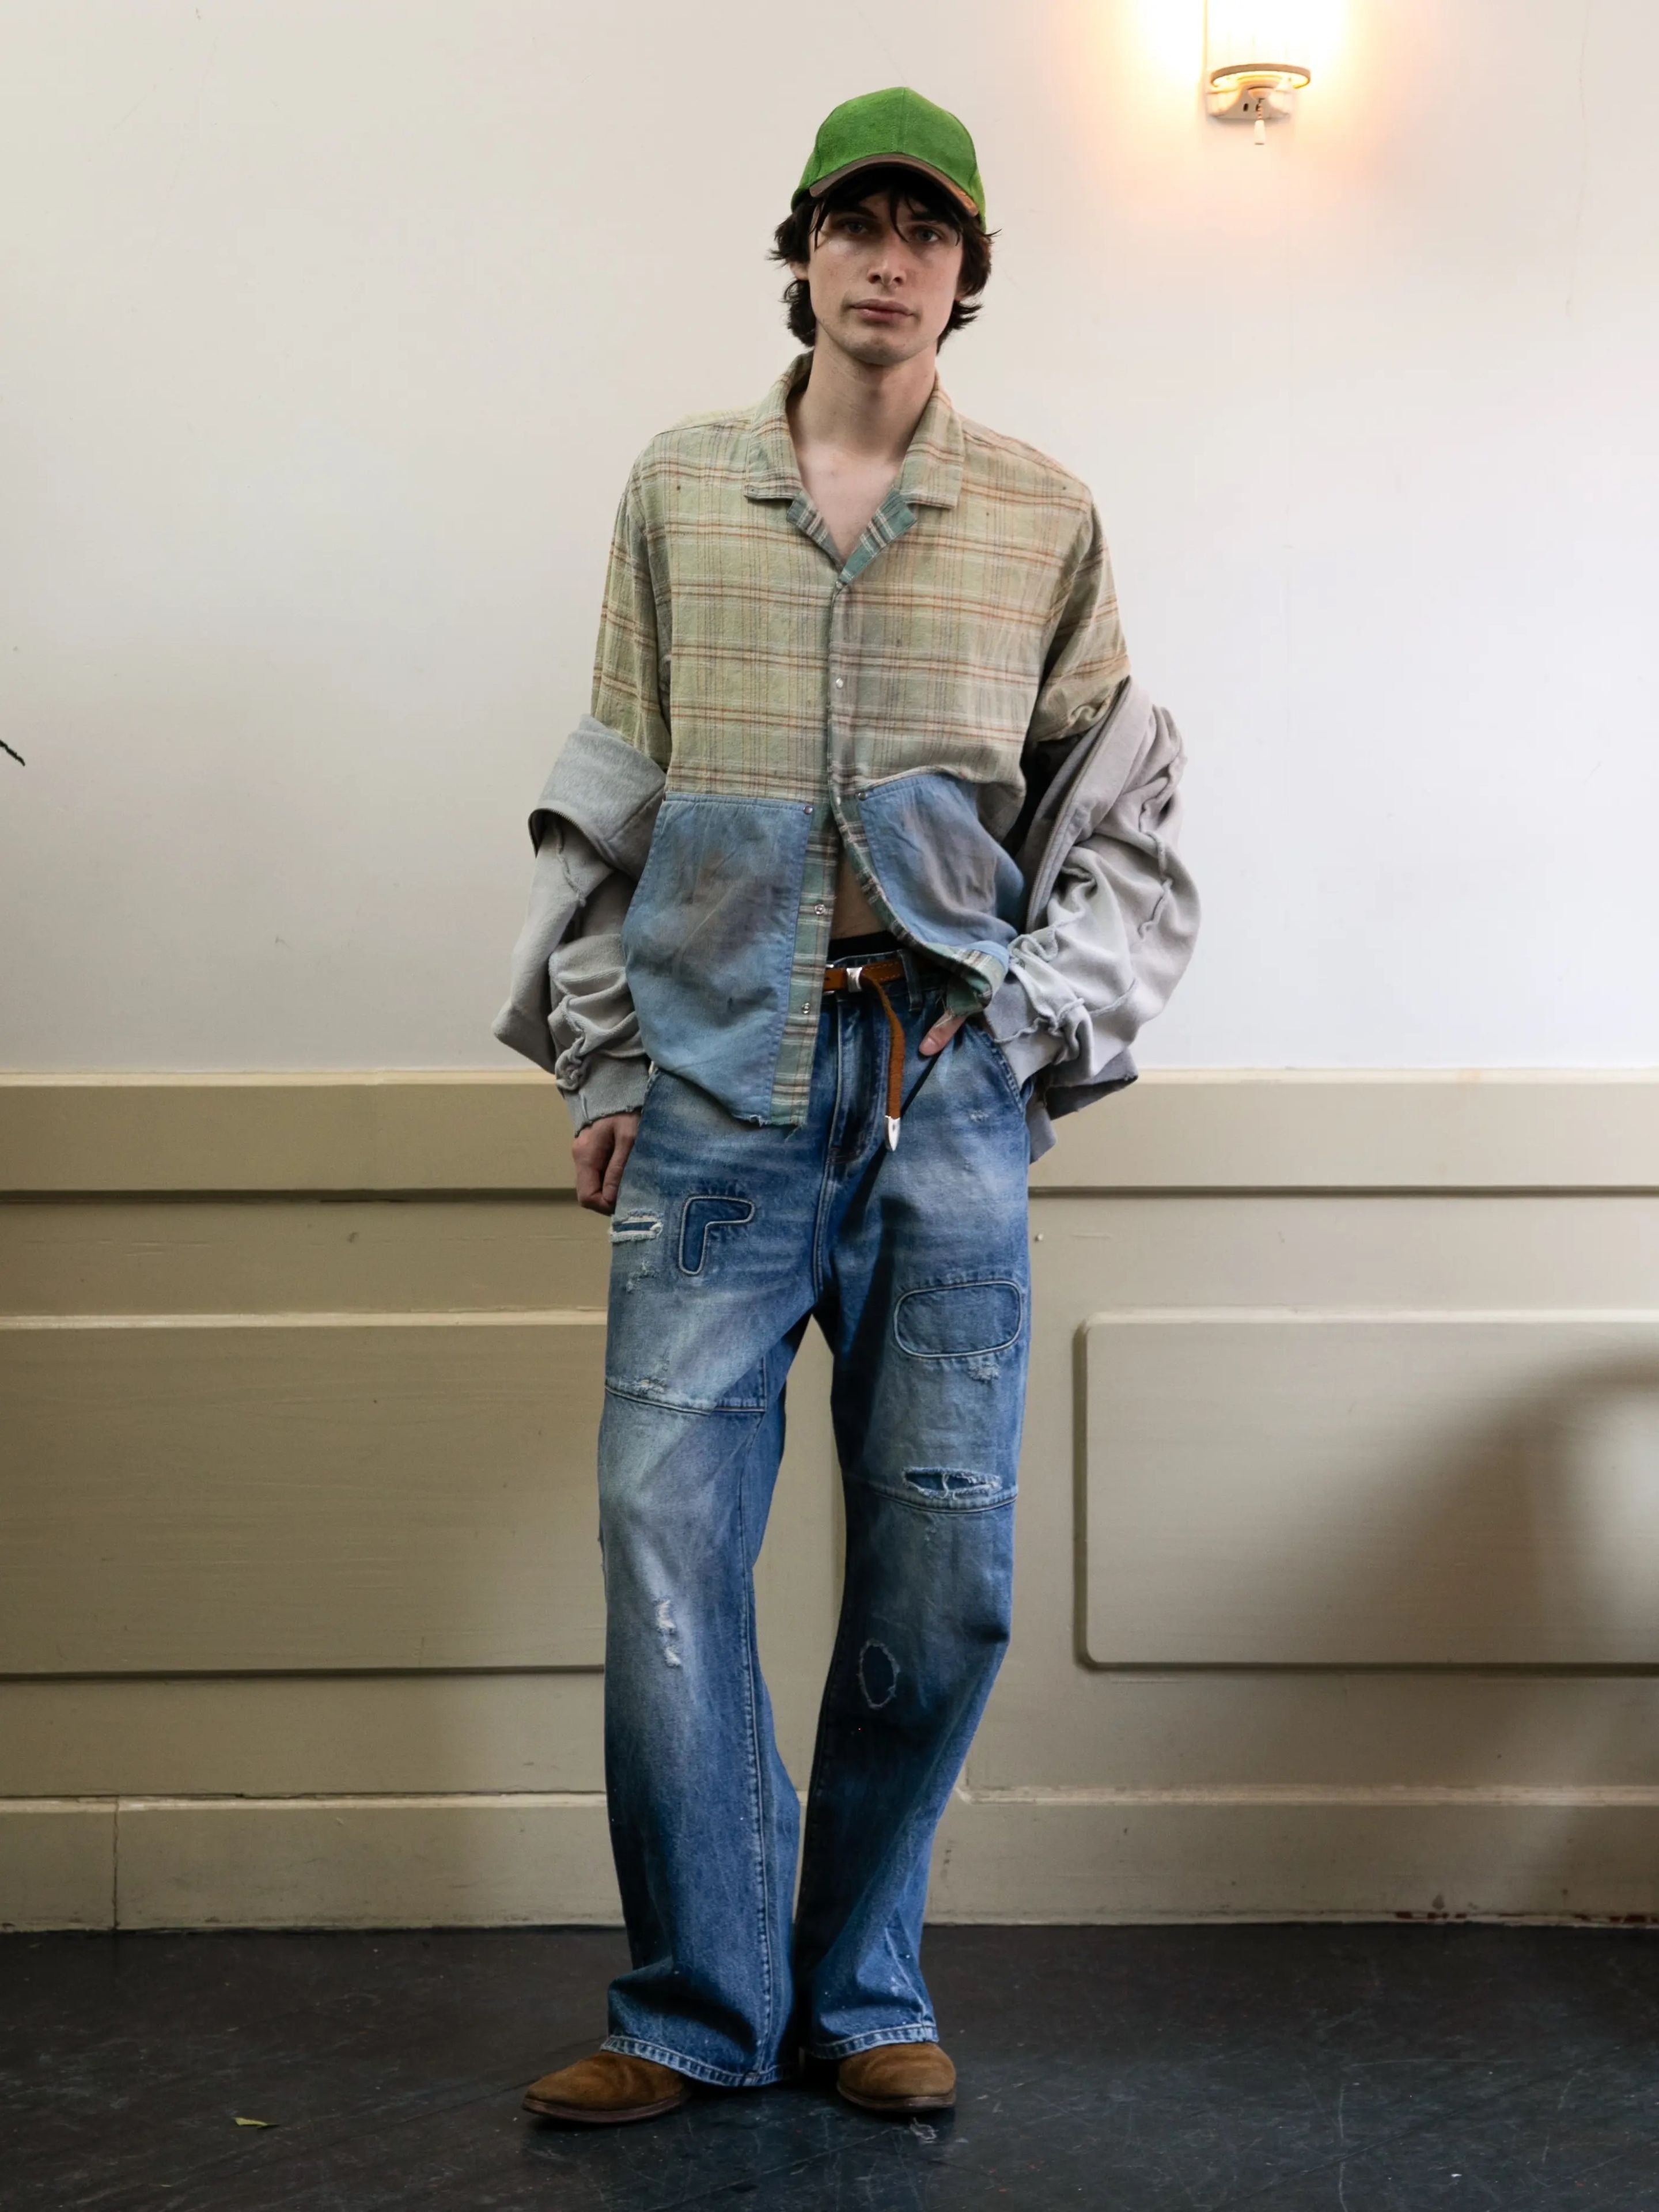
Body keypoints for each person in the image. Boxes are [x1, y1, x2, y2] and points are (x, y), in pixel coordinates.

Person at [494, 85, 1199, 2125]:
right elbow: (608, 785)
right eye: (855, 223)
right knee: (663, 1548)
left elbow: (1122, 825)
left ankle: (865, 1982)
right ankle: (689, 2009)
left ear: (971, 275)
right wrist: (607, 1060)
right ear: (801, 250)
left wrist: (1032, 1038)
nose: (889, 259)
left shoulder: (1044, 519)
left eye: (929, 230)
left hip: (942, 1102)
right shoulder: (678, 488)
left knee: (939, 1557)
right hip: (711, 1096)